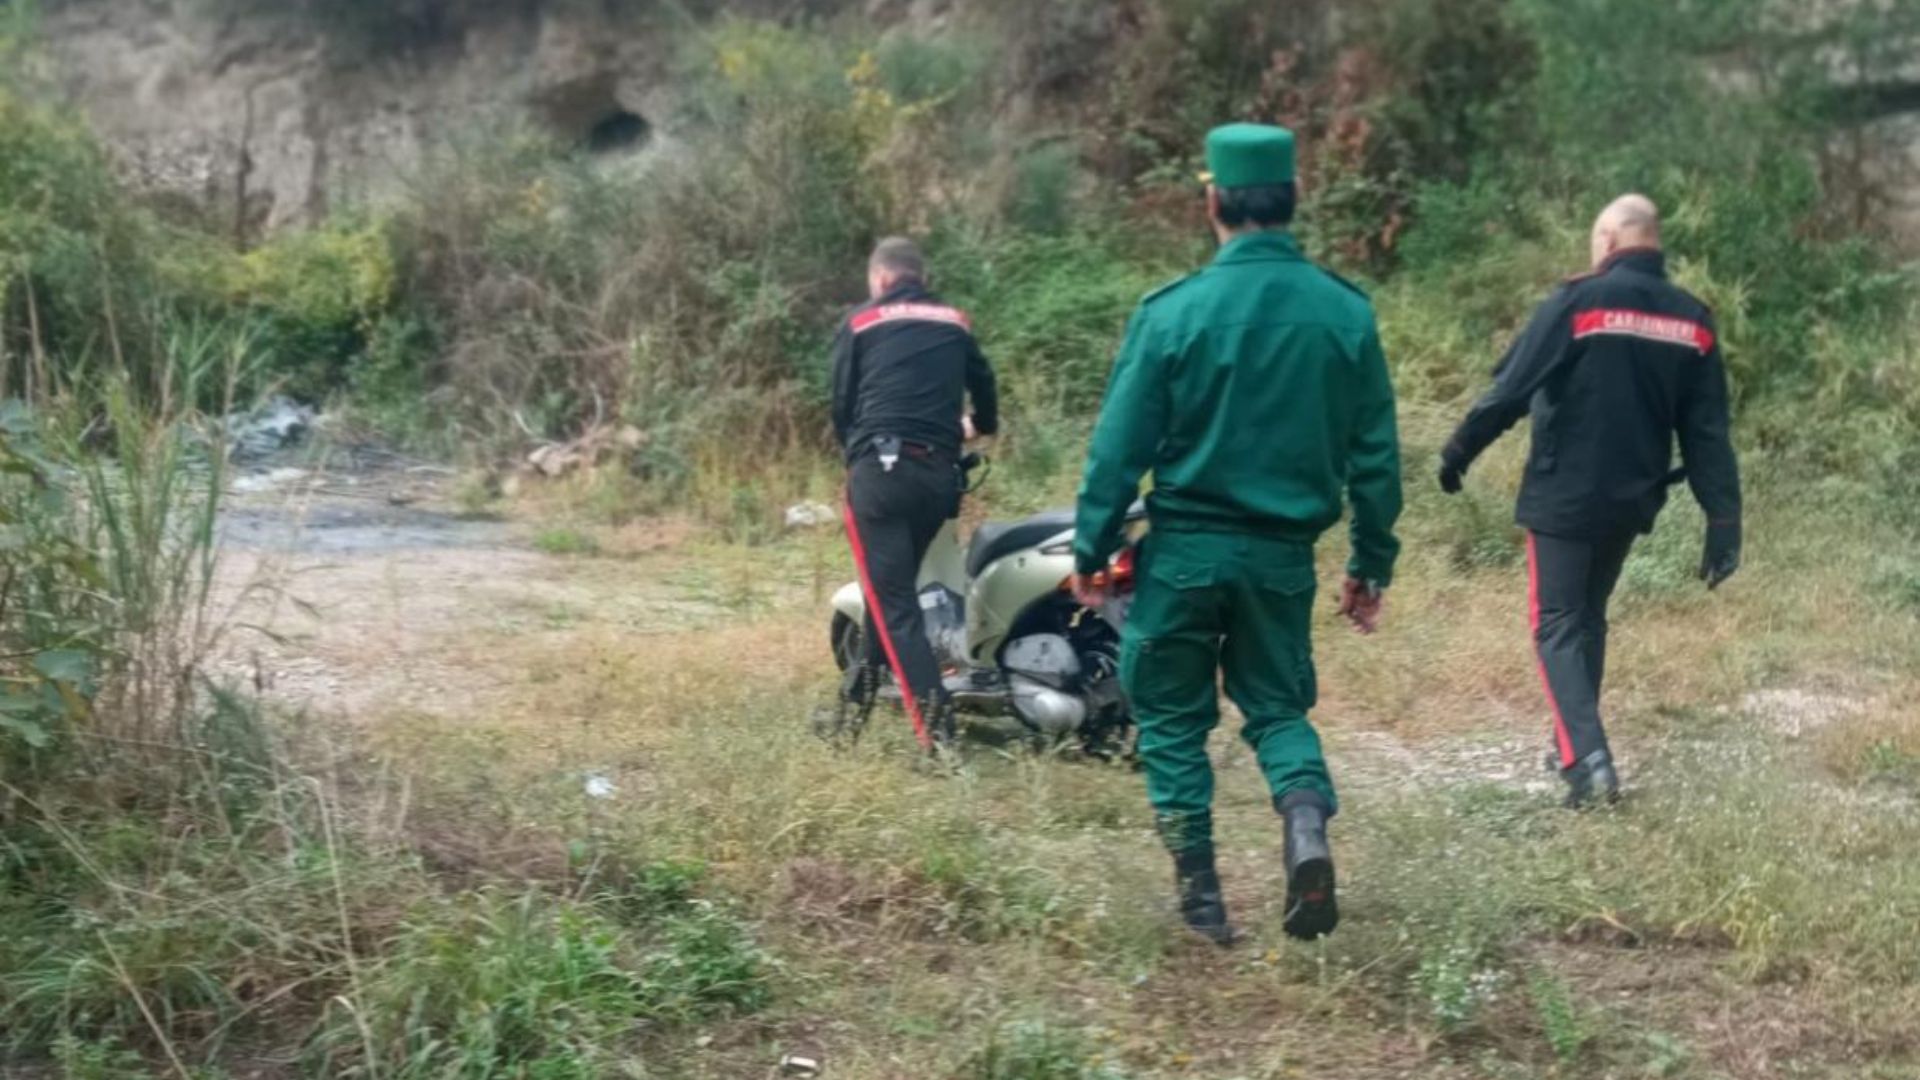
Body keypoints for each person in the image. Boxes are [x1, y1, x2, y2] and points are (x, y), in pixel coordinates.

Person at [1071, 124, 1403, 945]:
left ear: (1213, 200)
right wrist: (1370, 563)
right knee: (1278, 708)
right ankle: (1303, 828)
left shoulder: (1172, 313)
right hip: (1281, 562)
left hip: (1184, 555)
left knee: (1175, 718)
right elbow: (1376, 462)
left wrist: (1089, 548)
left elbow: (1118, 451)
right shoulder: (1344, 313)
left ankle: (1204, 903)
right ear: (1291, 200)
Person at [1438, 194, 1742, 808]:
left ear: (1607, 240)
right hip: (1633, 500)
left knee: (1554, 622)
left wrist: (1457, 452)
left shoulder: (1577, 303)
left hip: (1564, 497)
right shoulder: (1694, 319)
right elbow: (1707, 431)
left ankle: (1587, 761)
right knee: (1587, 617)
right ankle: (1570, 740)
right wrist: (1723, 518)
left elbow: (1510, 389)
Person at [831, 236, 999, 753]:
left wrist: (856, 457)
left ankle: (940, 739)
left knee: (895, 605)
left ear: (881, 279)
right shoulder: (954, 321)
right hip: (938, 479)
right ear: (918, 277)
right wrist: (979, 425)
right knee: (892, 597)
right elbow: (986, 382)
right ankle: (848, 715)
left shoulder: (860, 322)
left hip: (880, 474)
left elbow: (841, 403)